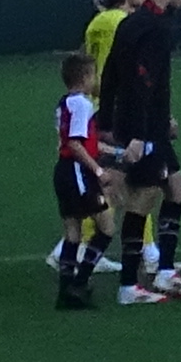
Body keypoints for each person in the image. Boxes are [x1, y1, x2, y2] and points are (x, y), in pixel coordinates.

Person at [98, 0, 181, 299]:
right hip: (143, 127)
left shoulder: (131, 22)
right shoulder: (155, 28)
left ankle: (166, 270)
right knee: (144, 197)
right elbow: (142, 82)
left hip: (147, 123)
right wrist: (139, 134)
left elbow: (110, 72)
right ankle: (129, 284)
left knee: (177, 188)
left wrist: (106, 122)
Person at [52, 49, 115, 310]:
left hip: (63, 170)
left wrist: (118, 153)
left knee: (73, 232)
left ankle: (67, 292)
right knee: (107, 227)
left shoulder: (64, 102)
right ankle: (79, 282)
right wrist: (99, 172)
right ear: (86, 76)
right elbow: (76, 145)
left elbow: (85, 142)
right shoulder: (83, 103)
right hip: (77, 170)